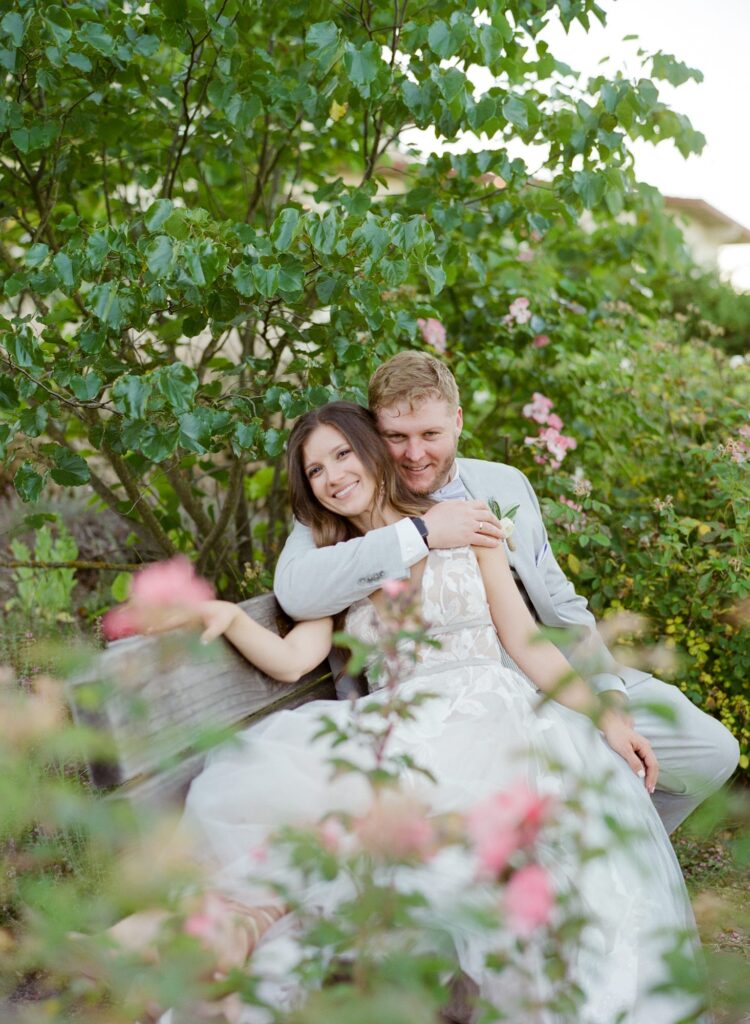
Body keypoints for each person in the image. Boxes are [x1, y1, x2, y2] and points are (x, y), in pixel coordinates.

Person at [132, 401, 705, 1023]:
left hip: (496, 718)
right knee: (348, 822)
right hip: (405, 725)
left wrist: (605, 713)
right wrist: (232, 617)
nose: (332, 476)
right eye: (316, 471)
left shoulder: (468, 525)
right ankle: (227, 939)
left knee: (541, 844)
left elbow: (524, 640)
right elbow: (295, 660)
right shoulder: (340, 560)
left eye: (342, 455)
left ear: (372, 450)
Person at [274, 352, 739, 834]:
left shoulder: (504, 483)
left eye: (430, 435)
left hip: (553, 674)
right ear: (373, 435)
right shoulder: (338, 499)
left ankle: (622, 852)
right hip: (443, 710)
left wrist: (606, 692)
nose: (414, 454)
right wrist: (422, 532)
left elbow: (560, 604)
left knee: (713, 752)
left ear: (457, 422)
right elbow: (296, 590)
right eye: (396, 437)